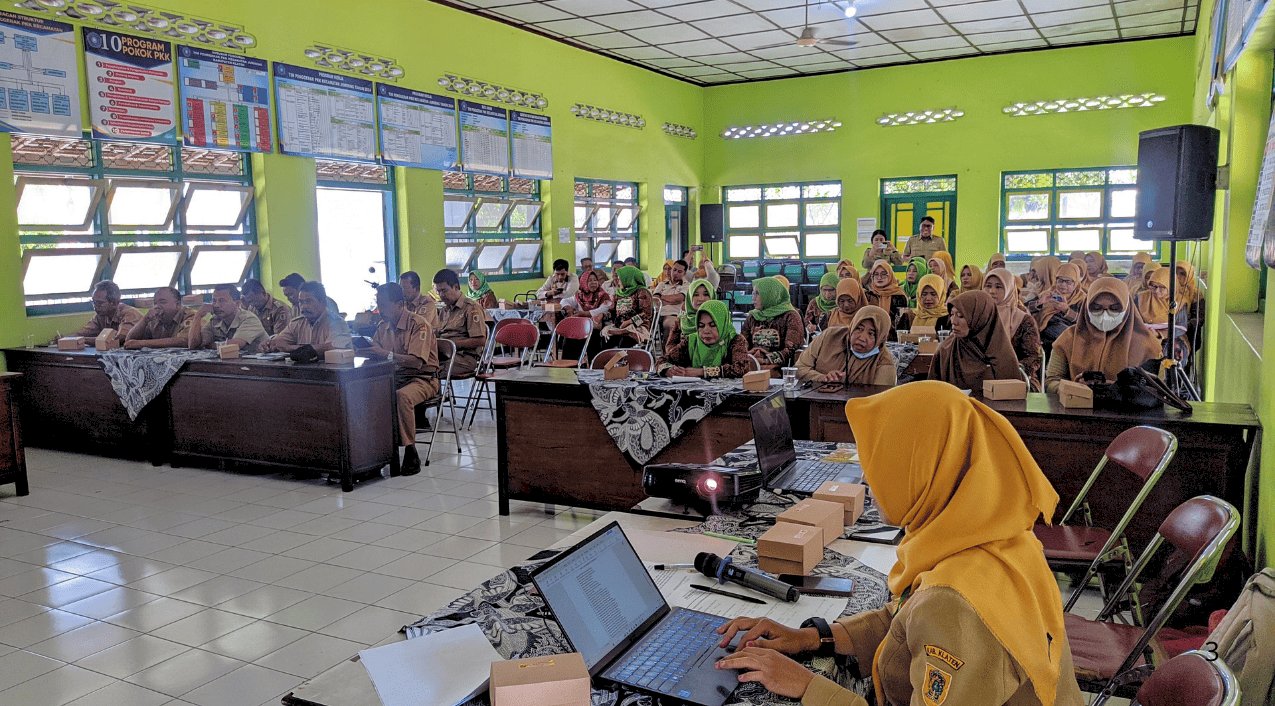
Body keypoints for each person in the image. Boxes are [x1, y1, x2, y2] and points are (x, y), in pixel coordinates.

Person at [714, 382, 1082, 706]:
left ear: (923, 467)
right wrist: (812, 638)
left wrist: (808, 686)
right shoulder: (991, 537)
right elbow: (906, 619)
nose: (871, 481)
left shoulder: (954, 602)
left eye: (883, 462)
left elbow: (935, 615)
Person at [366, 283, 439, 477]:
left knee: (402, 397)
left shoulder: (418, 324)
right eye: (378, 304)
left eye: (383, 304)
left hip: (422, 379)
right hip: (395, 377)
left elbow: (416, 362)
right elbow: (377, 351)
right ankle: (372, 453)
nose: (380, 309)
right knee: (365, 395)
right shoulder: (383, 327)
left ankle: (409, 451)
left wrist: (385, 354)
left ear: (399, 304)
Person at [1045, 277, 1161, 393]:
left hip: (1129, 409)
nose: (1105, 315)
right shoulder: (1068, 338)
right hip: (1077, 406)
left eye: (1114, 308)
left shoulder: (1147, 344)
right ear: (1086, 307)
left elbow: (1158, 390)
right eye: (1096, 308)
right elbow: (1052, 380)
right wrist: (1076, 389)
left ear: (1127, 308)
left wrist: (1115, 388)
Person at [929, 291, 1021, 390]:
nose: (953, 321)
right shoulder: (945, 350)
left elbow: (1012, 395)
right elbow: (933, 391)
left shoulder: (1002, 355)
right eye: (951, 314)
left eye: (960, 316)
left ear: (981, 317)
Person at [795, 305, 897, 386]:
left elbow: (879, 398)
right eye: (859, 329)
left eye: (871, 334)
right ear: (852, 326)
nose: (862, 338)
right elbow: (799, 368)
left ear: (881, 338)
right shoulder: (829, 337)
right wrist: (823, 378)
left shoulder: (884, 361)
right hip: (817, 405)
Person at [660, 301, 751, 379]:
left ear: (722, 324)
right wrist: (668, 370)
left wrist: (701, 372)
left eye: (713, 325)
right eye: (701, 326)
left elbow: (741, 369)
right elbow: (662, 361)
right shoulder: (692, 341)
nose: (706, 331)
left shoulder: (735, 340)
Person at [984, 269, 1043, 388]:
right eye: (988, 286)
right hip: (982, 375)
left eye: (999, 287)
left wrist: (1013, 369)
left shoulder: (1023, 320)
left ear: (1009, 289)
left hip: (1017, 378)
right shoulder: (978, 316)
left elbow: (1033, 357)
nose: (992, 291)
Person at [261, 281, 352, 354]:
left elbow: (330, 348)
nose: (304, 306)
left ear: (323, 302)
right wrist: (269, 343)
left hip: (334, 373)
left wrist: (291, 348)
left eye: (309, 301)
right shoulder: (297, 323)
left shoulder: (337, 323)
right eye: (301, 302)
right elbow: (279, 343)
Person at [432, 268, 488, 377]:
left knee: (430, 369)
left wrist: (451, 344)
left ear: (456, 287)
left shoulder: (471, 308)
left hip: (465, 358)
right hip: (444, 354)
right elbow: (439, 332)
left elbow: (481, 340)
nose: (441, 295)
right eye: (438, 291)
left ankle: (434, 393)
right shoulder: (444, 310)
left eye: (444, 290)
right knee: (419, 364)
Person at [741, 276, 804, 369]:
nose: (753, 298)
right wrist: (749, 355)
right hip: (753, 365)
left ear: (770, 295)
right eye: (753, 293)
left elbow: (791, 350)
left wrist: (766, 360)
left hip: (781, 369)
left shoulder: (790, 316)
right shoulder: (753, 316)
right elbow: (742, 343)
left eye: (757, 294)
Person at [188, 284, 268, 353]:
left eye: (222, 301)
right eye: (214, 301)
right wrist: (197, 316)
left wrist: (210, 345)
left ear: (237, 303)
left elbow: (234, 345)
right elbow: (193, 345)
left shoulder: (249, 319)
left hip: (261, 365)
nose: (216, 305)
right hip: (234, 364)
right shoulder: (215, 320)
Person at [1033, 263, 1085, 352]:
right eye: (1060, 281)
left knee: (1069, 338)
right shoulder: (1047, 294)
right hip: (1045, 331)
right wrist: (1039, 303)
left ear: (1075, 283)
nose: (1063, 285)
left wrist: (1066, 310)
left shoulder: (1081, 299)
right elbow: (1025, 310)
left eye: (1068, 282)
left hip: (1071, 334)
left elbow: (1085, 322)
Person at [75, 280, 143, 345]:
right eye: (93, 302)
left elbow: (119, 339)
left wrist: (84, 340)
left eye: (99, 303)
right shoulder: (100, 315)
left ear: (114, 303)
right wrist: (67, 339)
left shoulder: (130, 314)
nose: (95, 306)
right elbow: (81, 334)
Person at [124, 287, 192, 349]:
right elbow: (129, 342)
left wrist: (142, 344)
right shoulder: (154, 319)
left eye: (163, 302)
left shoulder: (190, 315)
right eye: (155, 303)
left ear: (177, 305)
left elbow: (184, 340)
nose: (157, 307)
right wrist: (145, 320)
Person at [603, 265, 655, 347]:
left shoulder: (642, 292)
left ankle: (624, 359)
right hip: (620, 325)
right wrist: (608, 311)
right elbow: (614, 312)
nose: (617, 280)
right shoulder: (619, 293)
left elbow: (646, 314)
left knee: (624, 341)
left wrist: (629, 322)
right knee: (604, 340)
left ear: (628, 278)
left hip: (638, 326)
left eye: (620, 277)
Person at [665, 277, 714, 355]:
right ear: (689, 298)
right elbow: (670, 346)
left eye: (706, 294)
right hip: (684, 362)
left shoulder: (720, 319)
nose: (701, 299)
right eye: (696, 295)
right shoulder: (681, 320)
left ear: (712, 296)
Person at [863, 260, 908, 330]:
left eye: (883, 274)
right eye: (876, 274)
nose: (879, 277)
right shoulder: (868, 296)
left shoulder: (899, 296)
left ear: (890, 275)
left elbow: (902, 323)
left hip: (893, 336)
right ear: (872, 277)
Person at [653, 259, 689, 341]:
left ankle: (667, 351)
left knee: (671, 324)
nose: (675, 273)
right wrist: (672, 299)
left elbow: (679, 298)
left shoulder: (686, 285)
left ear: (684, 273)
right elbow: (655, 300)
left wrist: (661, 296)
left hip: (674, 315)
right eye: (674, 270)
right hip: (658, 314)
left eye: (679, 272)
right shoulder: (662, 284)